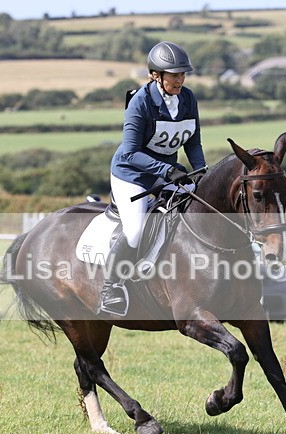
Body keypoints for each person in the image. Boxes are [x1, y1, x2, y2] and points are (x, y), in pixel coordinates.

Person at [98, 41, 207, 316]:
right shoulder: (140, 103)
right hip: (131, 175)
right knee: (135, 229)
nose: (180, 79)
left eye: (182, 74)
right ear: (155, 75)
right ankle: (110, 289)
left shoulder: (188, 98)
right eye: (174, 74)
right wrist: (168, 171)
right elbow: (130, 152)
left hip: (166, 174)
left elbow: (192, 142)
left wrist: (201, 171)